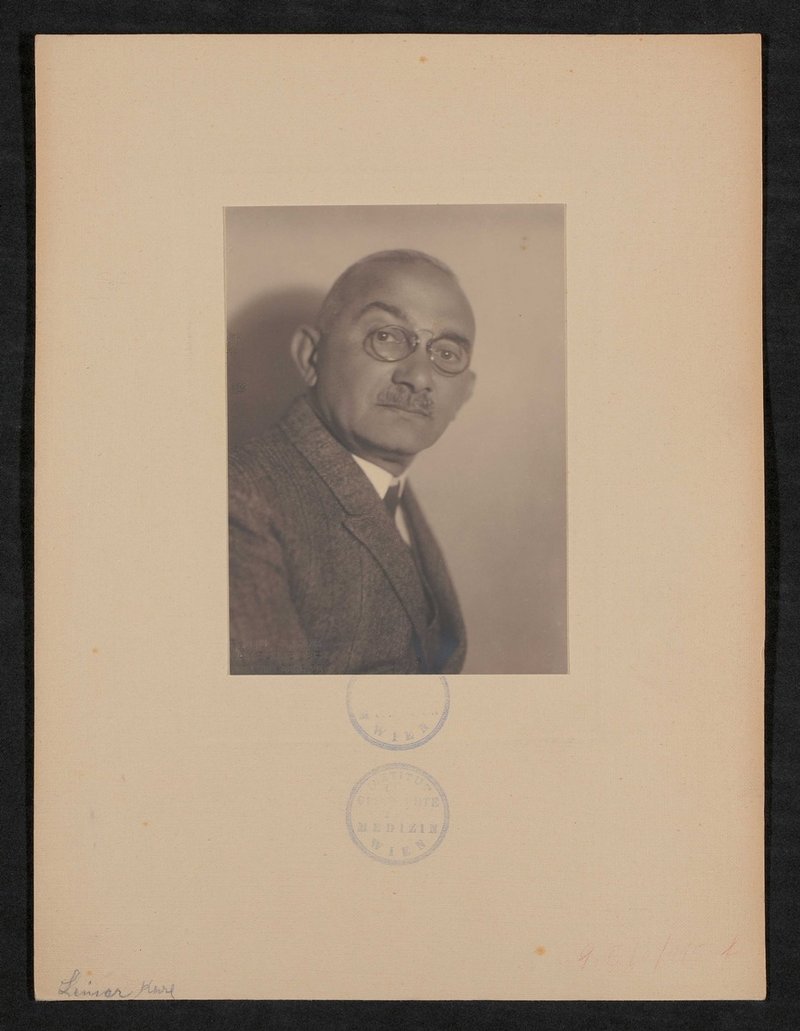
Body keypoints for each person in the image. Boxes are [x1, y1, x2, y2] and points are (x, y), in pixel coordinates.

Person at [228, 249, 476, 674]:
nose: (419, 377)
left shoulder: (390, 487)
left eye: (448, 353)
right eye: (387, 336)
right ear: (311, 356)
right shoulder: (242, 501)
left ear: (465, 394)